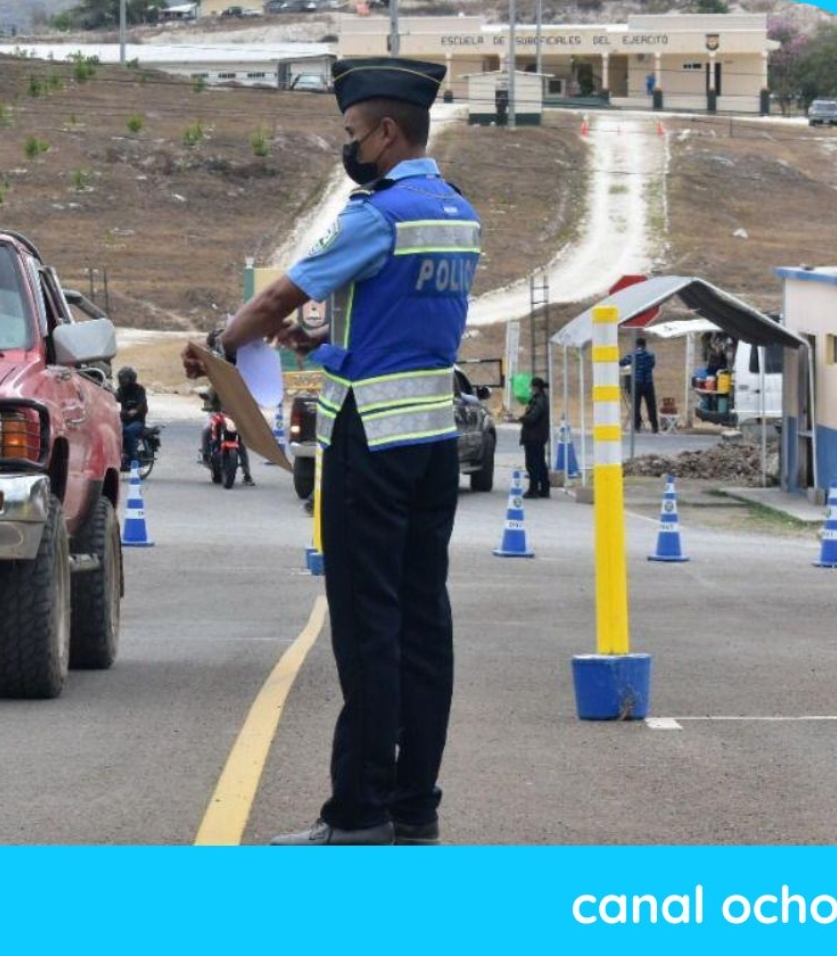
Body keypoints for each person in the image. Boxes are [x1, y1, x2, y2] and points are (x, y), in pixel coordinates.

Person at [183, 55, 479, 846]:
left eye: (352, 133)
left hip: (369, 448)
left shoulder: (376, 213)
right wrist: (317, 345)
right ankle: (415, 807)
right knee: (425, 626)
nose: (348, 147)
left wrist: (222, 340)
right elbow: (399, 331)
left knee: (365, 626)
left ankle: (357, 813)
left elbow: (283, 291)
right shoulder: (456, 212)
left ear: (386, 132)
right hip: (433, 446)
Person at [621, 336, 658, 434]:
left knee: (636, 405)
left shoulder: (631, 355)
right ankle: (654, 426)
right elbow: (652, 365)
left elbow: (622, 363)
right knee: (651, 405)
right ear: (645, 345)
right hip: (648, 383)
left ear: (636, 344)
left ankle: (637, 426)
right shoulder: (650, 355)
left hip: (636, 383)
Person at [521, 377, 551, 498]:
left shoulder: (538, 401)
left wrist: (522, 418)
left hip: (534, 436)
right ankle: (544, 488)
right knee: (540, 463)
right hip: (539, 436)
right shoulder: (541, 399)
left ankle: (533, 489)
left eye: (531, 387)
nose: (530, 389)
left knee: (532, 463)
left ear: (536, 387)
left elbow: (533, 418)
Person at [117, 366, 148, 468]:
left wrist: (134, 411)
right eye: (121, 379)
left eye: (124, 378)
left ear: (131, 378)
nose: (122, 381)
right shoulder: (121, 390)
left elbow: (141, 404)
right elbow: (113, 397)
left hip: (138, 421)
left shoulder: (139, 390)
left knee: (129, 431)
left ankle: (135, 460)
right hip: (125, 419)